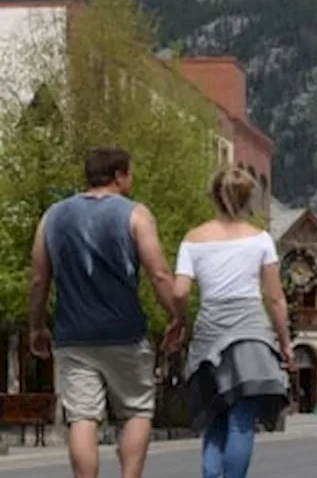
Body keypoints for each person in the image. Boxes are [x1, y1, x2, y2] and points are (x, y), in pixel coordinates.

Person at [28, 147, 186, 478]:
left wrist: (37, 325)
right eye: (130, 173)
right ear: (118, 176)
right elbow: (159, 273)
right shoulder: (136, 215)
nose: (132, 179)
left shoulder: (52, 217)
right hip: (125, 332)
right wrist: (176, 315)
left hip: (73, 335)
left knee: (82, 417)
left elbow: (39, 279)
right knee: (136, 411)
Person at [174, 166, 293, 478]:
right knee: (241, 420)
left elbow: (180, 291)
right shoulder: (261, 240)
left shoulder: (193, 239)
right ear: (247, 199)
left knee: (214, 417)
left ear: (213, 197)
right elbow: (276, 298)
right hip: (251, 333)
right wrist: (286, 343)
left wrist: (179, 321)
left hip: (209, 334)